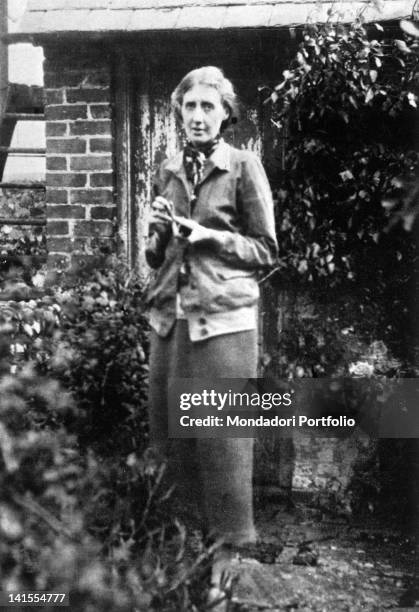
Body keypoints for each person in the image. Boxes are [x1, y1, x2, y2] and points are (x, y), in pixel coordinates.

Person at [145, 65, 278, 595]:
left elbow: (265, 251)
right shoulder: (168, 167)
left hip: (223, 325)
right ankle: (183, 563)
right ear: (179, 113)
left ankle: (223, 575)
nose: (197, 116)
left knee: (222, 443)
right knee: (171, 443)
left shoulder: (244, 166)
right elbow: (158, 256)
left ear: (225, 114)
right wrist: (158, 232)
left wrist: (205, 235)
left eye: (208, 107)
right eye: (189, 107)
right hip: (170, 322)